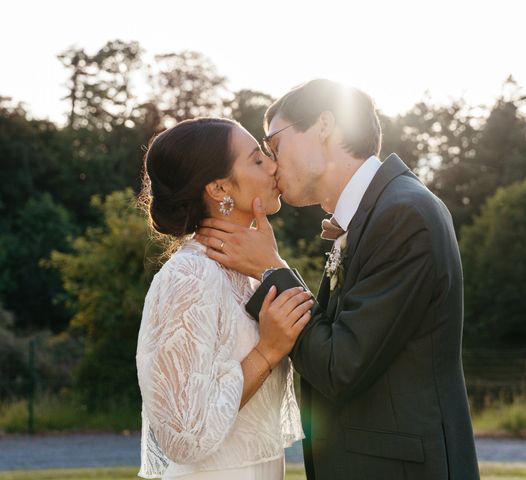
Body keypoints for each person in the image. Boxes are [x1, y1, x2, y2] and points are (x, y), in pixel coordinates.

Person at [195, 79, 481, 479]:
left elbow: (339, 365)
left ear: (325, 125)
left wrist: (269, 270)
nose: (272, 164)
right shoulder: (379, 212)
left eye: (274, 145)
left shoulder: (404, 215)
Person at [136, 117, 311, 480]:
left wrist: (272, 266)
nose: (274, 165)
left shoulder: (248, 274)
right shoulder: (189, 276)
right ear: (219, 189)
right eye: (257, 159)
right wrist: (266, 352)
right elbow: (184, 435)